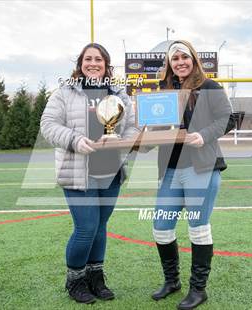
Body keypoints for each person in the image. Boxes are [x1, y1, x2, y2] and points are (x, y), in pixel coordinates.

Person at [41, 43, 138, 304]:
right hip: (77, 171)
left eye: (99, 59)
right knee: (86, 228)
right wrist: (74, 140)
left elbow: (131, 127)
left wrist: (122, 144)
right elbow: (48, 125)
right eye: (88, 59)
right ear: (80, 64)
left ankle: (96, 277)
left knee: (100, 227)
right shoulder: (64, 92)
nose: (93, 63)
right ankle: (75, 281)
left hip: (110, 171)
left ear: (107, 65)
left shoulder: (118, 92)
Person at [151, 40, 232, 309]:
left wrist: (204, 135)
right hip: (171, 168)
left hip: (202, 167)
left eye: (184, 57)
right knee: (161, 227)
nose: (180, 62)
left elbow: (227, 119)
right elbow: (156, 129)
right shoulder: (163, 90)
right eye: (175, 59)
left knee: (197, 228)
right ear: (169, 64)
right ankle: (172, 281)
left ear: (193, 59)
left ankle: (199, 289)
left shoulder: (210, 87)